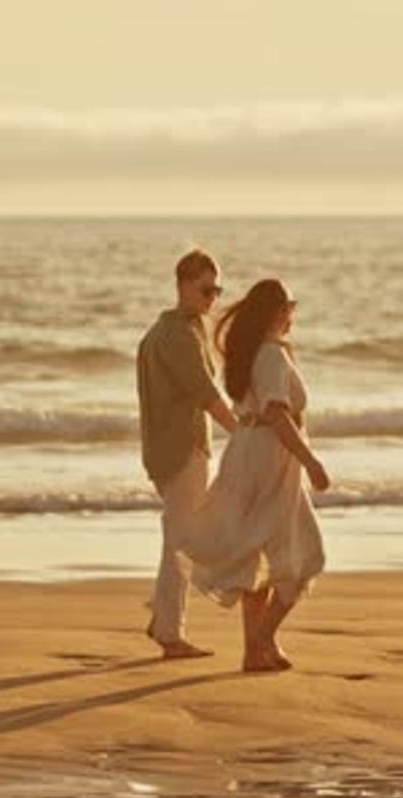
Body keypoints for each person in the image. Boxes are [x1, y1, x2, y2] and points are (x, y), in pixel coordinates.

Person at [180, 278, 330, 672]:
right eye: (289, 306)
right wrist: (310, 460)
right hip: (271, 458)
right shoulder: (272, 356)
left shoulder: (249, 354)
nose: (292, 314)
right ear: (277, 312)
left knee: (258, 554)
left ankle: (255, 651)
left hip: (246, 452)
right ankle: (263, 636)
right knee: (305, 555)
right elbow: (277, 414)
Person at [137, 249, 237, 659]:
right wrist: (243, 433)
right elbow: (207, 394)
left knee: (180, 536)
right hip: (182, 451)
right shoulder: (177, 335)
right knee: (182, 540)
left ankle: (163, 616)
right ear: (182, 285)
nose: (213, 298)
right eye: (205, 290)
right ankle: (169, 633)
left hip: (166, 450)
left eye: (217, 290)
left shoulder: (172, 329)